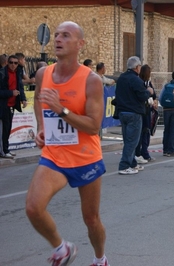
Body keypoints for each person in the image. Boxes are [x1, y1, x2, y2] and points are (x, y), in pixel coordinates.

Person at [25, 21, 110, 266]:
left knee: (91, 219)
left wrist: (60, 110)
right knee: (33, 207)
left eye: (66, 35)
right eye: (57, 35)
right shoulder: (43, 74)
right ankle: (62, 249)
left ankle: (99, 258)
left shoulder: (91, 80)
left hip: (86, 157)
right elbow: (39, 103)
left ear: (79, 44)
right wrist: (42, 127)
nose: (58, 39)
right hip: (55, 154)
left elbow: (94, 126)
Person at [115, 56, 153, 175]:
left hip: (122, 112)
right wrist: (149, 92)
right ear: (137, 67)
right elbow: (142, 96)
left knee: (128, 139)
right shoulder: (136, 80)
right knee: (132, 141)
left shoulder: (121, 78)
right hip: (134, 113)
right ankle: (124, 165)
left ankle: (132, 163)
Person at [0, 55, 27, 159]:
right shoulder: (2, 73)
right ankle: (3, 151)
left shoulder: (18, 73)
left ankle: (6, 150)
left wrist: (23, 98)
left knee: (8, 129)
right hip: (3, 106)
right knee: (4, 130)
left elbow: (20, 86)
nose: (13, 65)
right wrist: (10, 93)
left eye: (16, 63)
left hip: (11, 105)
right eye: (11, 62)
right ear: (7, 62)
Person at [135, 64, 157, 162]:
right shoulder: (145, 83)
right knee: (145, 131)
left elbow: (154, 95)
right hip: (145, 110)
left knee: (142, 132)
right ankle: (144, 153)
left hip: (144, 109)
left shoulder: (139, 81)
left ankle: (139, 152)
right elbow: (153, 94)